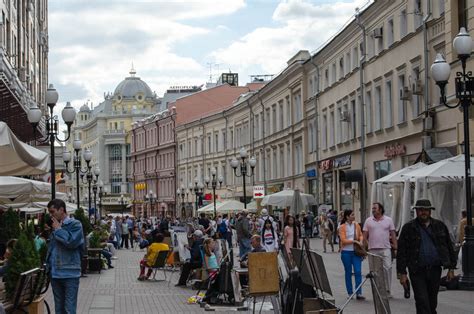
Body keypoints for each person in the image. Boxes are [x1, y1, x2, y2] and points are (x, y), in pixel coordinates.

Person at [397, 199, 457, 314]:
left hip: (435, 269)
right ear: (416, 211)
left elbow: (449, 247)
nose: (423, 212)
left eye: (425, 210)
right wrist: (402, 274)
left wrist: (451, 268)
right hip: (417, 270)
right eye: (420, 210)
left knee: (432, 302)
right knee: (422, 300)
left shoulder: (439, 226)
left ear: (430, 211)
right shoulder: (408, 228)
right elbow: (401, 252)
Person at [46, 199, 85, 314]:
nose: (51, 215)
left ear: (61, 210)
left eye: (52, 212)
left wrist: (58, 229)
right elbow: (52, 248)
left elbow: (71, 242)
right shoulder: (56, 226)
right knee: (59, 308)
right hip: (55, 273)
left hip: (70, 272)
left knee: (69, 309)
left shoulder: (75, 224)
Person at [363, 202, 397, 297]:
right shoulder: (368, 221)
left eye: (375, 208)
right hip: (372, 249)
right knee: (374, 271)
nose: (373, 210)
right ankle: (377, 290)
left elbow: (393, 234)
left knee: (388, 268)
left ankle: (387, 290)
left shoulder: (388, 220)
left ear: (380, 209)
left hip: (385, 248)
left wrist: (395, 246)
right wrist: (364, 249)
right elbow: (364, 236)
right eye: (372, 208)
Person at [339, 209, 365, 300]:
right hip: (346, 252)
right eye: (352, 215)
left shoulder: (356, 225)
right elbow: (343, 240)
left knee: (358, 271)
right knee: (348, 272)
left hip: (356, 252)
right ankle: (350, 292)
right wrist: (355, 241)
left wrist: (361, 240)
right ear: (347, 216)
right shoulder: (342, 227)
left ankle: (359, 292)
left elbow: (361, 235)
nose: (354, 216)